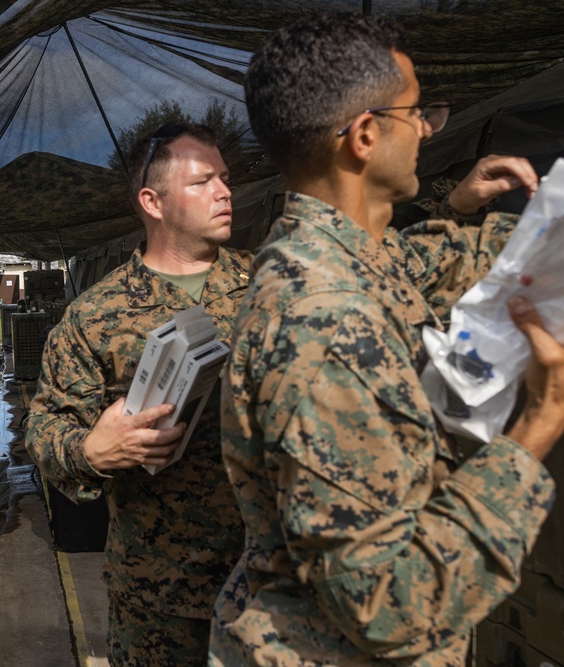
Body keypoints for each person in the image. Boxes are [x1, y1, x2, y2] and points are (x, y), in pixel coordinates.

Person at [211, 13, 564, 666]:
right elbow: (384, 605)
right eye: (417, 113)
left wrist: (461, 209)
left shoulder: (337, 257)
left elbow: (412, 264)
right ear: (366, 135)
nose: (430, 126)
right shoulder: (325, 323)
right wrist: (539, 424)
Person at [25, 123, 253, 665]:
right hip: (160, 591)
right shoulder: (94, 316)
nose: (225, 191)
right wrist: (90, 451)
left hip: (272, 576)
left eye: (224, 178)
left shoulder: (271, 283)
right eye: (203, 181)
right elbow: (45, 426)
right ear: (152, 201)